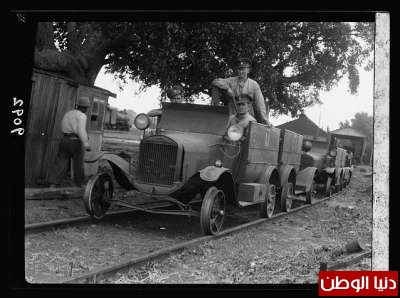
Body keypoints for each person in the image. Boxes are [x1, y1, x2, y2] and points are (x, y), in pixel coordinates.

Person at [211, 57, 271, 127]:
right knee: (230, 135)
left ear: (248, 70)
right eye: (239, 69)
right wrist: (227, 89)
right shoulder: (231, 81)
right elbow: (215, 81)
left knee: (248, 135)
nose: (240, 71)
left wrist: (265, 120)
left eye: (243, 69)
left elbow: (260, 103)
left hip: (248, 118)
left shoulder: (254, 84)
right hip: (234, 116)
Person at [48, 97, 91, 188]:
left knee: (60, 162)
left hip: (64, 140)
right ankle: (80, 185)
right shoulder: (82, 115)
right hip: (75, 142)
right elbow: (81, 131)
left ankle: (53, 183)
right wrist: (86, 144)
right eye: (87, 107)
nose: (87, 109)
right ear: (85, 107)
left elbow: (62, 126)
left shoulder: (68, 113)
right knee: (78, 163)